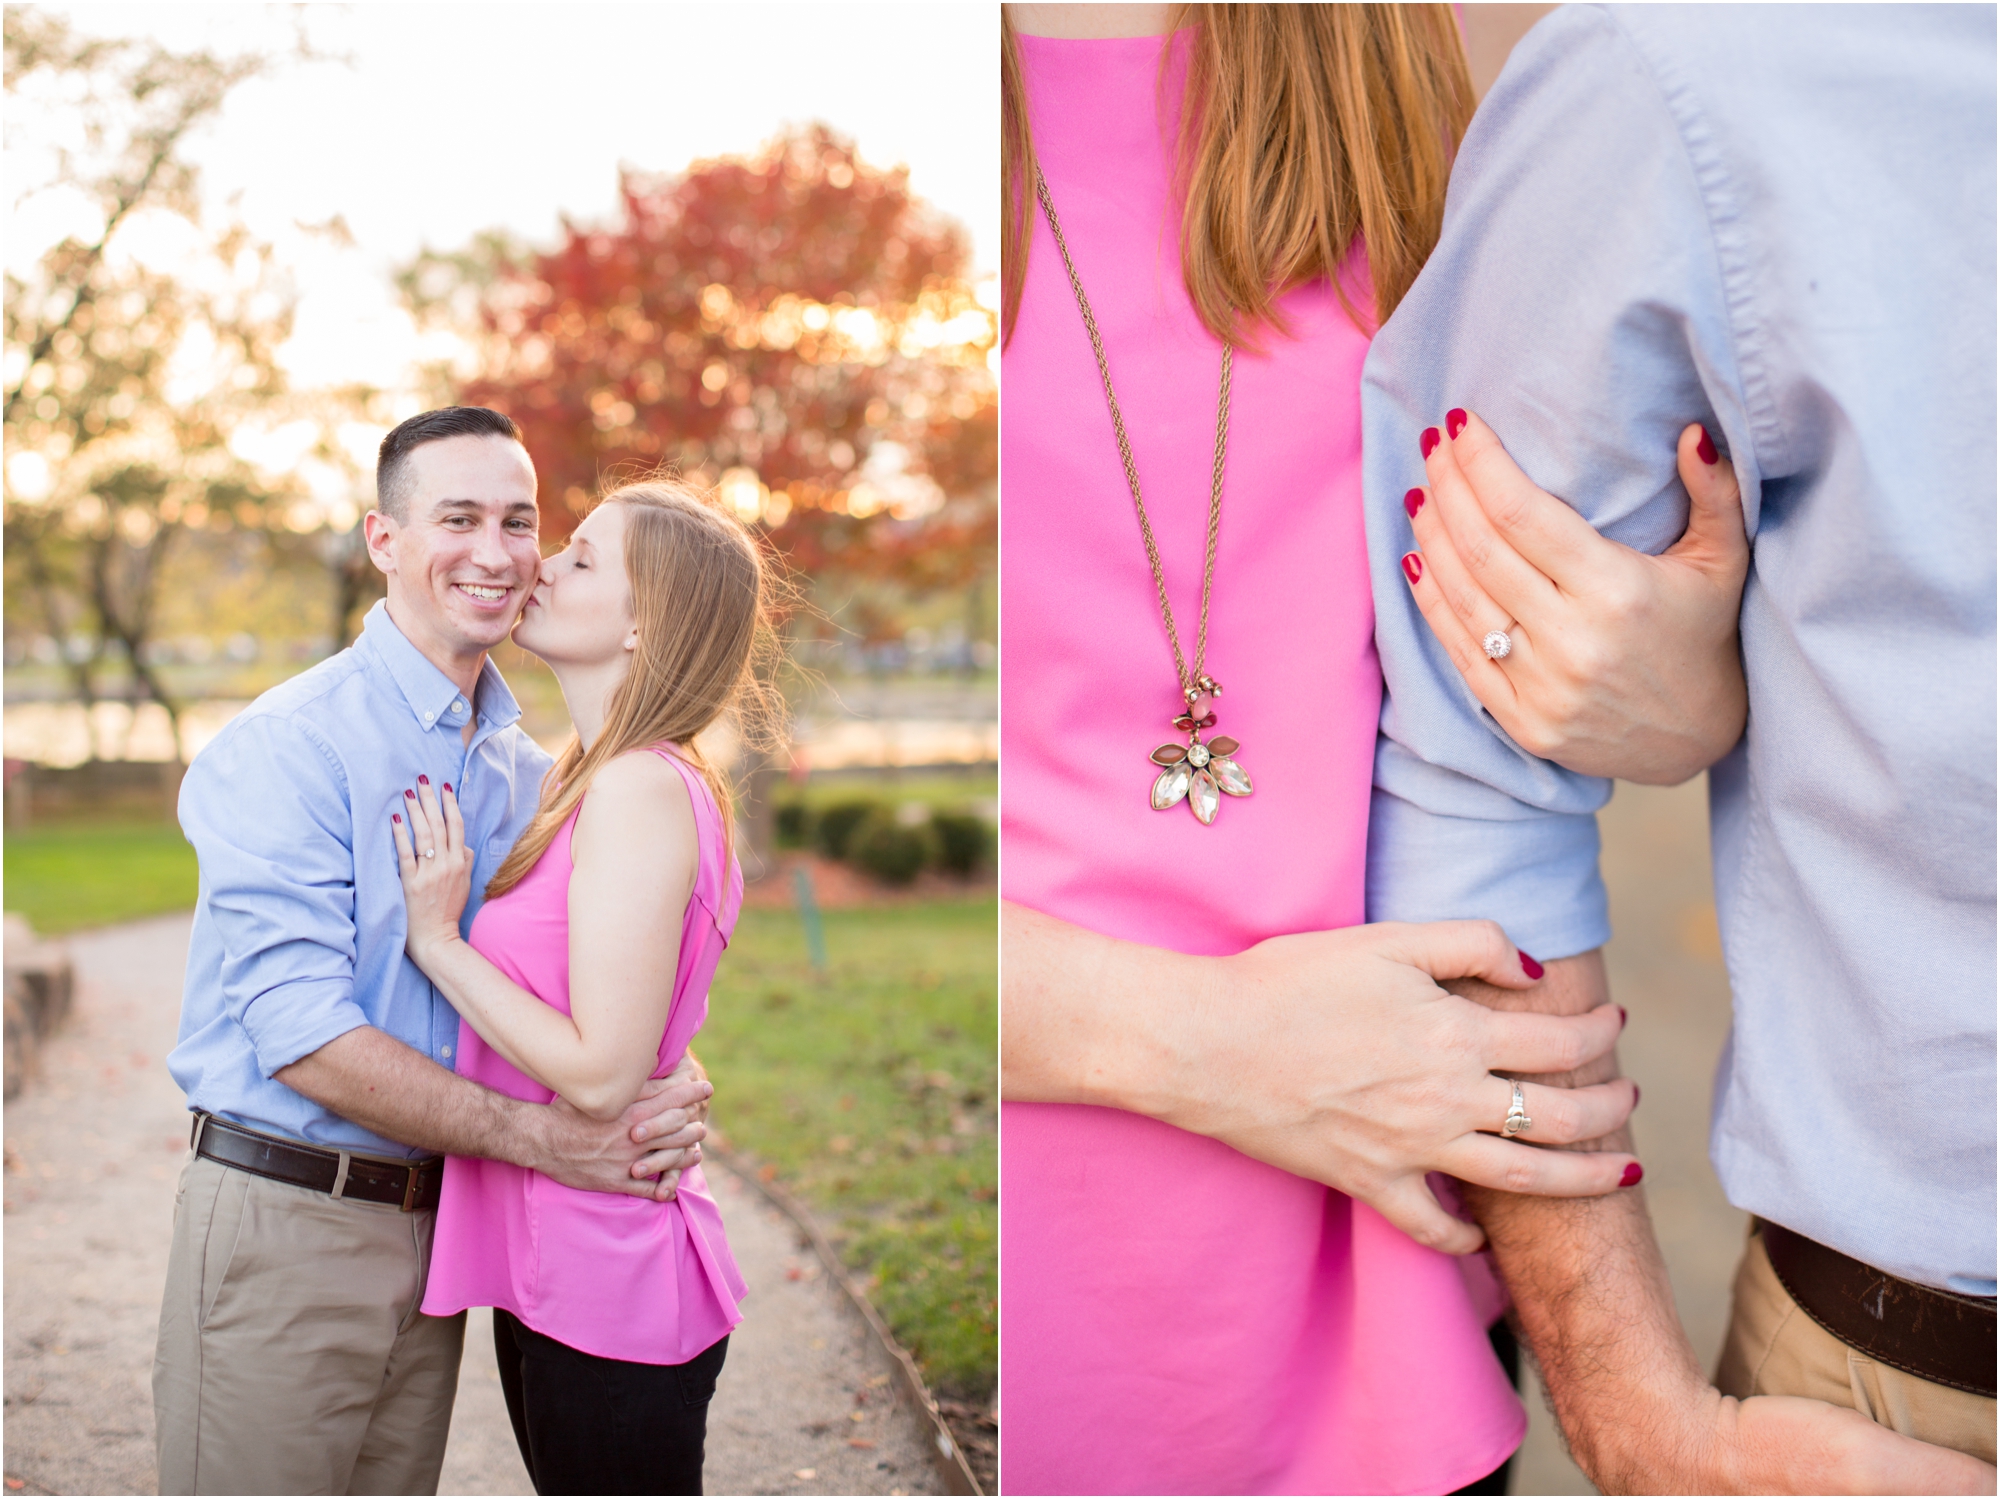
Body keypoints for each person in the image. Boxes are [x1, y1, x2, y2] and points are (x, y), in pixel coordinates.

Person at [998, 6, 1644, 1493]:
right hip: (1036, 1324)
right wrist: (1195, 1035)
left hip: (1395, 1298)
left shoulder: (1385, 77)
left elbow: (1507, 747)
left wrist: (1665, 671)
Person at [1363, 4, 1995, 1491]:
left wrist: (1749, 688)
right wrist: (1636, 1415)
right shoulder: (1695, 68)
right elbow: (1469, 766)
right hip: (1924, 1403)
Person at [153, 407, 710, 1496]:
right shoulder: (291, 744)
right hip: (288, 1224)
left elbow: (579, 982)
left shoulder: (522, 771)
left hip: (444, 1238)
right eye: (457, 517)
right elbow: (303, 1035)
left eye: (519, 520)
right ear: (384, 539)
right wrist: (548, 1140)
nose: (497, 553)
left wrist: (665, 1070)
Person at [397, 477, 776, 1496]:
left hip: (611, 1276)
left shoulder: (640, 784)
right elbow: (634, 1013)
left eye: (582, 557)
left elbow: (604, 1075)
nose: (540, 565)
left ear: (644, 624)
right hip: (558, 1263)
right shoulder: (591, 774)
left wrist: (440, 942)